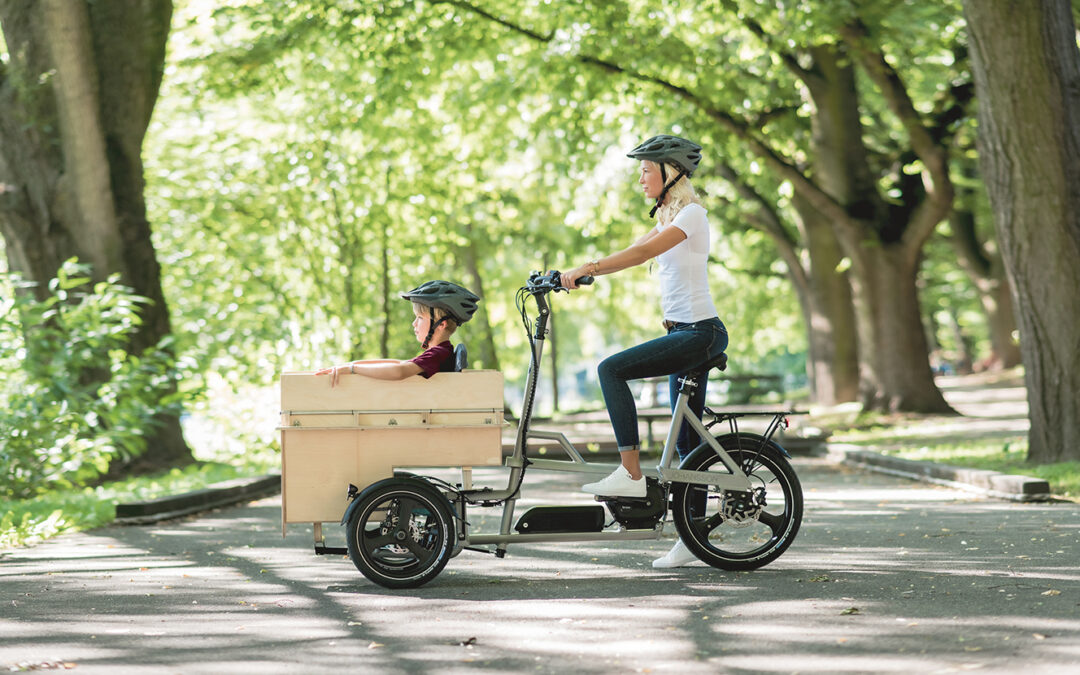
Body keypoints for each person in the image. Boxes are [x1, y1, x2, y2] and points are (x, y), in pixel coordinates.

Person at [561, 134, 728, 568]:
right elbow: (635, 248)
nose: (640, 179)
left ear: (671, 173)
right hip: (687, 333)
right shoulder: (670, 216)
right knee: (687, 444)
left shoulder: (691, 214)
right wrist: (570, 272)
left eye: (646, 171)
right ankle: (693, 540)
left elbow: (643, 254)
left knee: (611, 370)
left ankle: (631, 474)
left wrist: (591, 267)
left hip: (698, 333)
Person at [316, 280, 479, 385]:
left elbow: (399, 371)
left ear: (441, 324)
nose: (414, 323)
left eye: (420, 318)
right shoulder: (439, 352)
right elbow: (397, 363)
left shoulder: (439, 353)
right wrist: (350, 365)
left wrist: (353, 370)